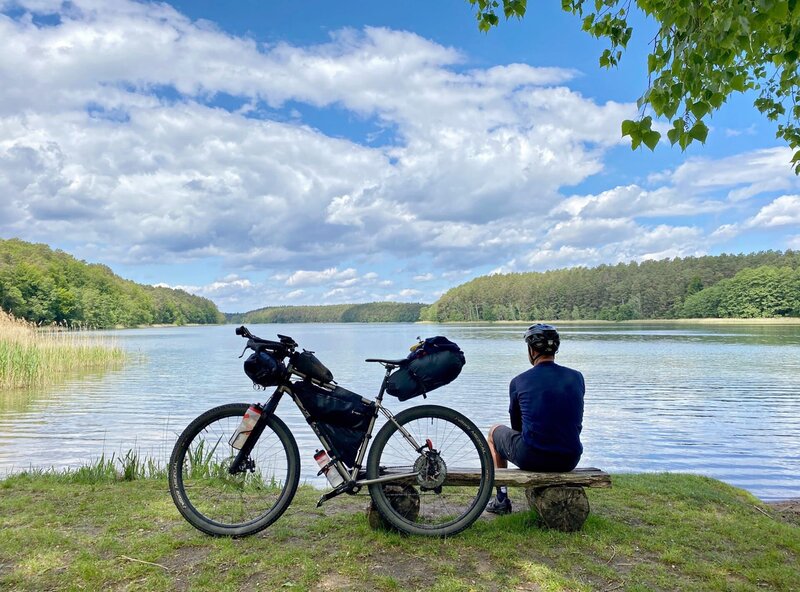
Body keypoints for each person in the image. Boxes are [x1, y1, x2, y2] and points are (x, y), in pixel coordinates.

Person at [485, 323, 585, 515]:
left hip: (532, 457)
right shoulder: (577, 377)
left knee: (493, 432)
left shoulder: (518, 381)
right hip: (570, 458)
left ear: (531, 350)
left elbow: (517, 426)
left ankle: (501, 499)